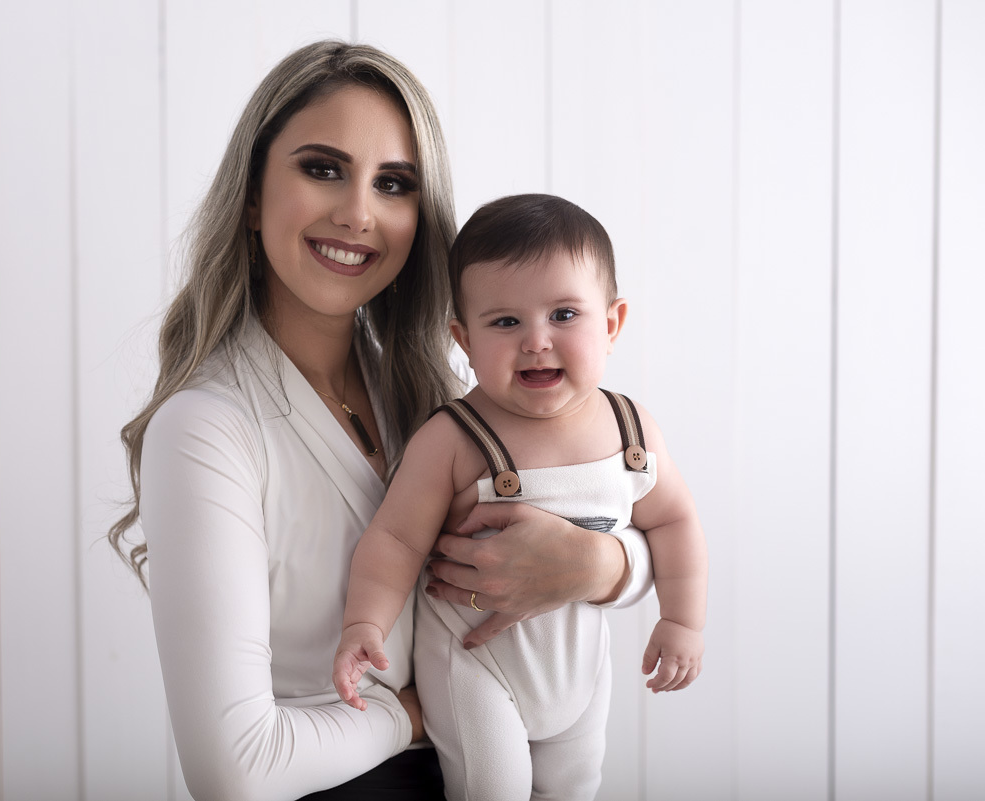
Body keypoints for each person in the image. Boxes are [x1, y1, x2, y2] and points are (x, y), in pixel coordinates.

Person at [107, 42, 655, 801]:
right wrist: (412, 716)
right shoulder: (207, 430)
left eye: (393, 184)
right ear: (253, 196)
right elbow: (236, 771)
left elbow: (630, 513)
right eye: (322, 168)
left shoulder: (435, 401)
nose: (358, 214)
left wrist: (601, 567)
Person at [333, 194, 707, 800]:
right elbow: (395, 538)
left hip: (581, 673)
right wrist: (364, 622)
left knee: (575, 789)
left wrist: (682, 621)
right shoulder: (453, 438)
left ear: (611, 324)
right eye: (506, 322)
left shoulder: (632, 431)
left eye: (564, 314)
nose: (536, 341)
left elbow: (674, 523)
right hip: (475, 667)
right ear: (464, 339)